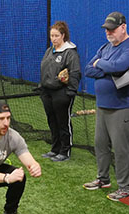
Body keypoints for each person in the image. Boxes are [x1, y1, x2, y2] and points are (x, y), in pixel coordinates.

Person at [83, 12, 129, 201]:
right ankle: (103, 179)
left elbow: (120, 66)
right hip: (102, 105)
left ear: (123, 27)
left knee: (121, 149)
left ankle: (125, 187)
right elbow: (88, 69)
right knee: (100, 145)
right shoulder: (105, 47)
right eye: (107, 29)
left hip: (121, 106)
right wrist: (107, 69)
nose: (109, 32)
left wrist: (100, 63)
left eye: (113, 28)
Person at [39, 21, 81, 162]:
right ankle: (55, 148)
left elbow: (75, 74)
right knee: (52, 121)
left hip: (62, 93)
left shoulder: (70, 53)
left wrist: (70, 91)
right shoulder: (50, 51)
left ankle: (65, 150)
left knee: (63, 122)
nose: (54, 38)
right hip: (47, 92)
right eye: (52, 35)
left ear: (63, 35)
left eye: (56, 35)